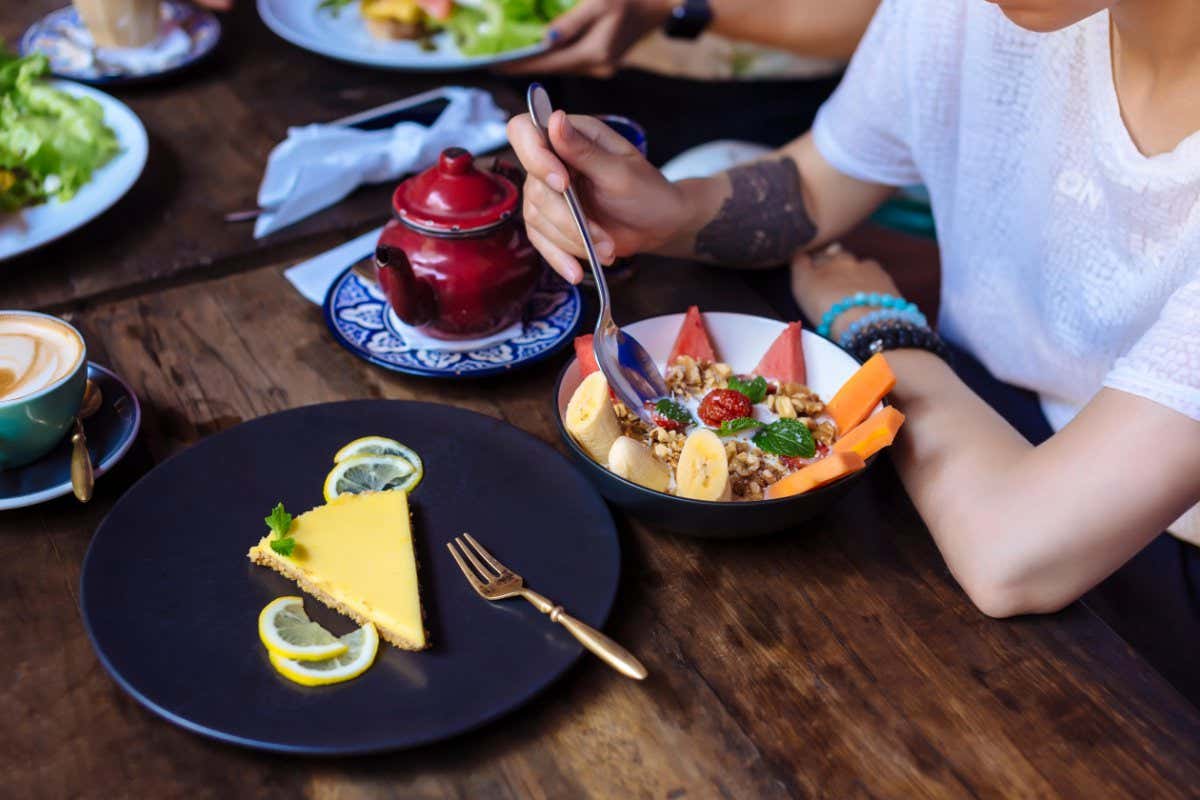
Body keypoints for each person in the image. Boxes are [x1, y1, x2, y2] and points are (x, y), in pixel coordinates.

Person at [508, 0, 1200, 654]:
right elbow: (815, 186)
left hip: (1144, 558)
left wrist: (882, 330)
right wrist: (670, 211)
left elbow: (1014, 559)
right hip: (978, 420)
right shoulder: (977, 14)